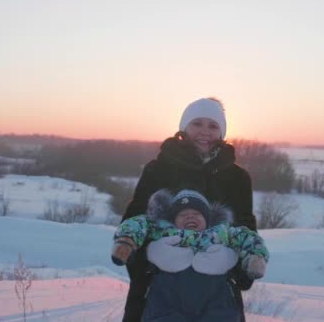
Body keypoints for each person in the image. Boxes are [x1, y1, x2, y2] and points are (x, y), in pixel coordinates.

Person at [120, 97, 257, 322]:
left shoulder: (237, 178)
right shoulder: (158, 169)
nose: (205, 131)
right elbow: (135, 218)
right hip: (158, 289)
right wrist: (145, 268)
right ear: (184, 127)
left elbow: (245, 225)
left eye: (213, 126)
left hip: (217, 292)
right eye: (197, 123)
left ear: (222, 133)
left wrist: (239, 274)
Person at [111, 189, 268, 321]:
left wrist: (255, 256)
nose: (190, 217)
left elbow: (247, 236)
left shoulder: (222, 232)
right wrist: (126, 240)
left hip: (214, 290)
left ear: (208, 219)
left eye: (196, 213)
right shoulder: (163, 230)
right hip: (169, 291)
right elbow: (138, 223)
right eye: (183, 214)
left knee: (222, 313)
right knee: (161, 313)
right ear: (173, 220)